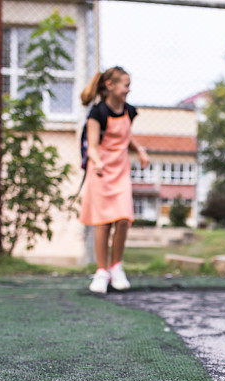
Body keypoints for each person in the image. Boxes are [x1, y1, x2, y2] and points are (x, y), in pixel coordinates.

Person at [79, 66, 149, 294]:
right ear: (110, 86)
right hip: (100, 170)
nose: (129, 90)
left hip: (120, 171)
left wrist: (140, 151)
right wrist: (98, 162)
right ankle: (101, 272)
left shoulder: (130, 111)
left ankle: (116, 266)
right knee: (104, 222)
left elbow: (125, 137)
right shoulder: (97, 112)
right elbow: (92, 145)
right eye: (125, 85)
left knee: (123, 219)